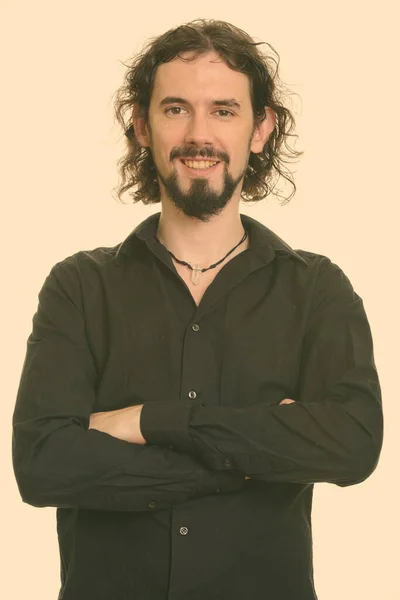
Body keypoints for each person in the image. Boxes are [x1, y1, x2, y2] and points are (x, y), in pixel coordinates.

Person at [12, 18, 383, 600]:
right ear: (142, 125)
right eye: (176, 108)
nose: (199, 134)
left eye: (225, 111)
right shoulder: (78, 287)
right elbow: (42, 464)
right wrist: (257, 452)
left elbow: (352, 444)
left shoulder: (317, 290)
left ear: (261, 129)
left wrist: (147, 422)